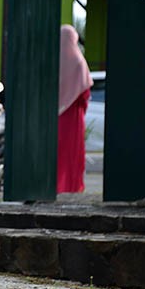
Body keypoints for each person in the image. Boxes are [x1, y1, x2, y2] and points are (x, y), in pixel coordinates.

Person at [57, 24, 93, 194]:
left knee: (58, 154)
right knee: (73, 153)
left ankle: (56, 185)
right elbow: (85, 93)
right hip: (74, 117)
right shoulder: (79, 62)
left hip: (57, 117)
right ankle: (72, 186)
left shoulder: (54, 61)